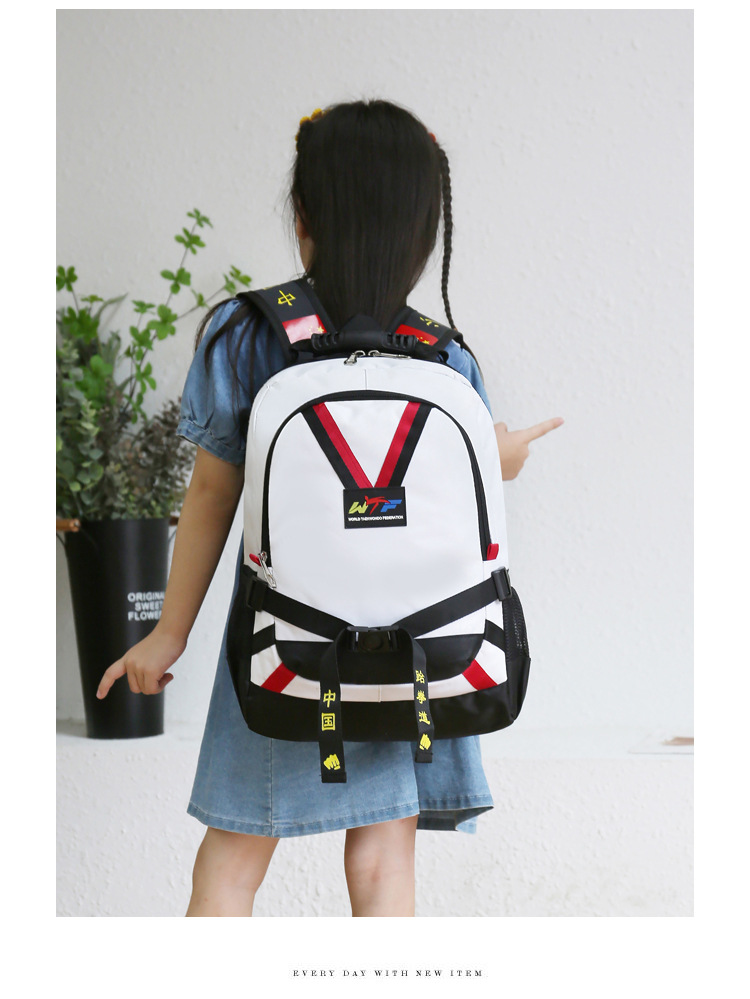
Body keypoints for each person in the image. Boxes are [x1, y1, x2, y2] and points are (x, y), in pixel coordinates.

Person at [97, 100, 563, 917]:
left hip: (282, 640)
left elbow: (211, 494)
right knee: (384, 861)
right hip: (418, 647)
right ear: (424, 230)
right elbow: (456, 514)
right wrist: (502, 460)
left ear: (304, 216)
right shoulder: (444, 357)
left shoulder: (246, 334)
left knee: (231, 861)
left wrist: (170, 631)